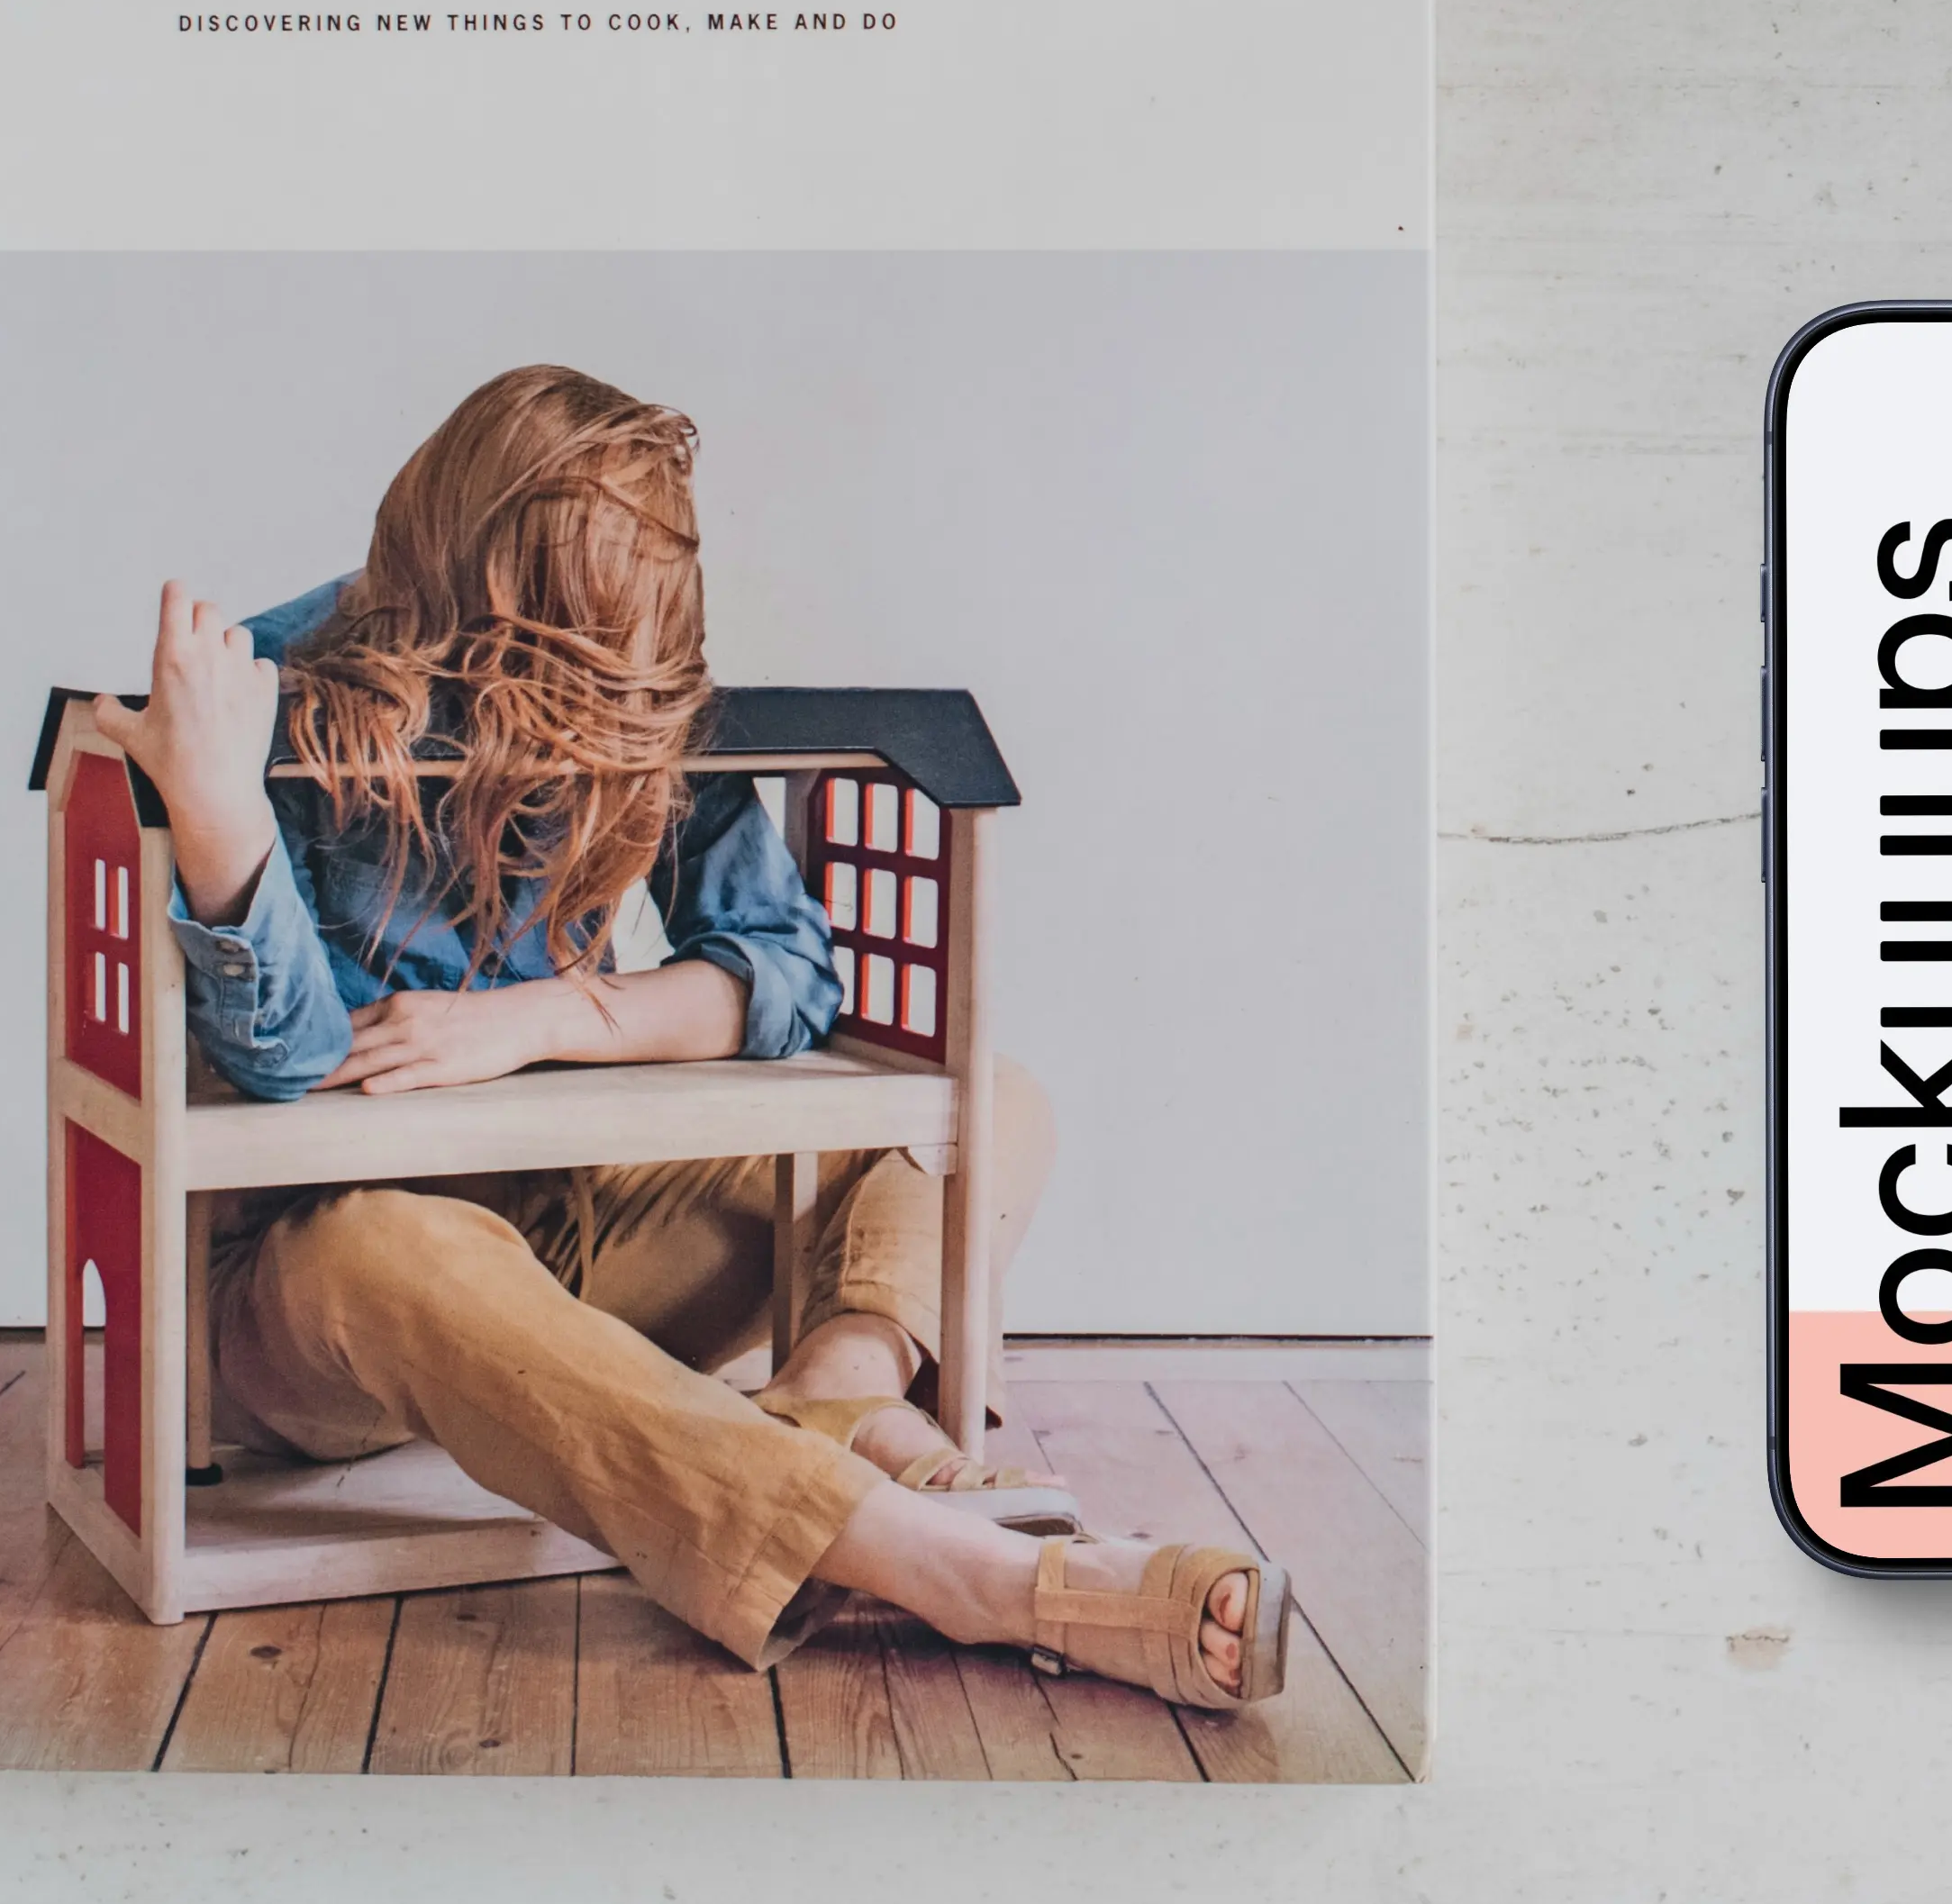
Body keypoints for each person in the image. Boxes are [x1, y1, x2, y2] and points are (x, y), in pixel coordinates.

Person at [141, 362, 1279, 1712]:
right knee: (382, 1240)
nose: (582, 739)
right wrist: (216, 822)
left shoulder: (633, 684)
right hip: (324, 1305)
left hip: (572, 1245)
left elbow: (789, 970)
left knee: (990, 1101)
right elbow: (290, 1061)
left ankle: (833, 1404)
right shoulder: (289, 691)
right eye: (547, 695)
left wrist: (548, 1015)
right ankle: (970, 1577)